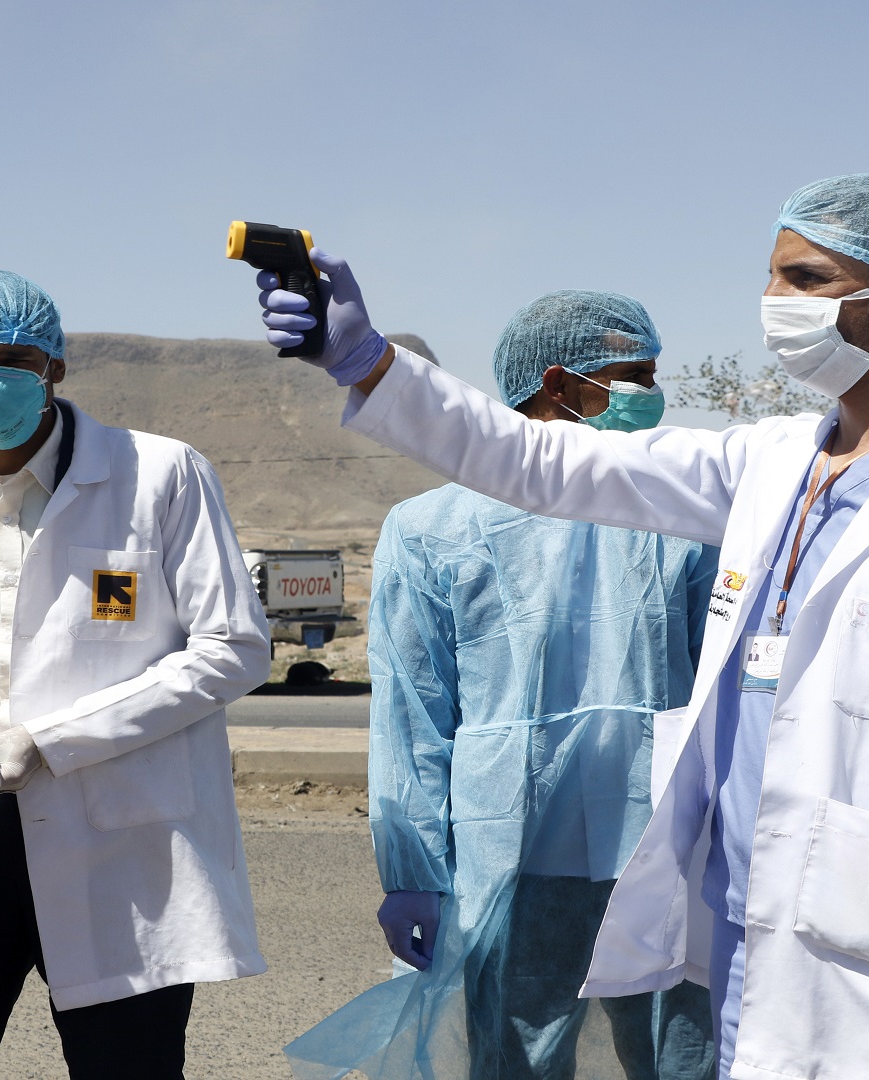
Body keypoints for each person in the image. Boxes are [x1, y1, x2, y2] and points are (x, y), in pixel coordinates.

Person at [251, 174, 869, 1080]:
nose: (774, 301)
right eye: (773, 275)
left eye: (807, 279)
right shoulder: (769, 465)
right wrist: (369, 362)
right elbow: (537, 459)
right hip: (743, 935)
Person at [0, 270, 271, 1079]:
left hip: (115, 839)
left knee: (128, 1068)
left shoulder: (161, 473)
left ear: (56, 366)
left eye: (12, 360)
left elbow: (231, 646)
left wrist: (51, 740)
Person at [286, 292, 719, 1080]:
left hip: (660, 845)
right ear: (560, 384)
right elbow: (413, 714)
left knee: (682, 1057)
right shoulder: (433, 529)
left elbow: (722, 691)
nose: (653, 394)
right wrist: (412, 873)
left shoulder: (685, 521)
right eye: (636, 375)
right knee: (518, 1056)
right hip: (515, 849)